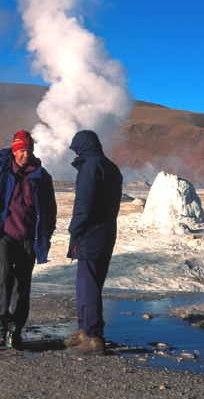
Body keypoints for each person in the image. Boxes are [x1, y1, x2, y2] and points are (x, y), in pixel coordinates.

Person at [0, 130, 57, 350]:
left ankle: (16, 329)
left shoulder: (41, 177)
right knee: (2, 278)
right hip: (4, 236)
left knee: (22, 285)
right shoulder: (0, 174)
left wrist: (46, 233)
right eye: (21, 150)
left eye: (28, 150)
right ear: (14, 150)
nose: (25, 154)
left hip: (28, 238)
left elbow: (50, 210)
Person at [63, 130, 123, 356]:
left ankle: (93, 335)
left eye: (77, 149)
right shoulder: (111, 167)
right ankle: (84, 330)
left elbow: (84, 205)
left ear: (84, 148)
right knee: (89, 284)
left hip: (90, 234)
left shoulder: (90, 167)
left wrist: (74, 230)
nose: (76, 153)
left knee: (87, 286)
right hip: (106, 232)